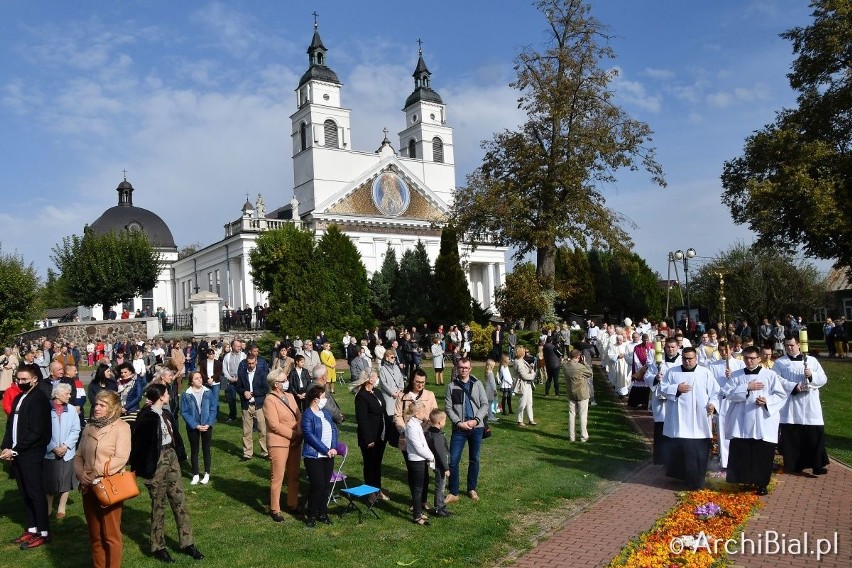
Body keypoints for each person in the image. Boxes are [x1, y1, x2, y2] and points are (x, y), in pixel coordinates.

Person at [130, 384, 203, 563]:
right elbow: (139, 445)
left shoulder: (166, 413)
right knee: (158, 504)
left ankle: (187, 543)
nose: (169, 395)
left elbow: (175, 436)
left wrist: (179, 455)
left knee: (179, 500)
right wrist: (144, 469)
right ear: (161, 396)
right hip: (155, 462)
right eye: (167, 393)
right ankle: (158, 546)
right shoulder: (146, 417)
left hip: (171, 457)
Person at [74, 390, 132, 568]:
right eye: (96, 404)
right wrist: (80, 473)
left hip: (109, 487)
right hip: (87, 486)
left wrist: (94, 472)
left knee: (111, 535)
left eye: (102, 405)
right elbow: (78, 456)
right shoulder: (89, 427)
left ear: (112, 408)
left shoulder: (122, 427)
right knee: (95, 535)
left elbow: (121, 457)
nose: (96, 408)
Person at [722, 346, 788, 495]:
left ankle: (761, 484)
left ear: (759, 358)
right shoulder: (736, 375)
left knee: (762, 453)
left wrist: (767, 401)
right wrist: (747, 387)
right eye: (746, 358)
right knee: (742, 452)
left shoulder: (769, 375)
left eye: (752, 358)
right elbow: (727, 393)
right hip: (741, 420)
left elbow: (781, 395)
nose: (749, 361)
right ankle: (743, 480)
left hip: (762, 420)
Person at [1, 363, 53, 549]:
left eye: (25, 379)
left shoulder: (38, 399)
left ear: (34, 380)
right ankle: (31, 528)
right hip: (18, 453)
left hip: (31, 453)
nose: (21, 382)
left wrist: (15, 449)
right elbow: (10, 426)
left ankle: (43, 532)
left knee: (35, 493)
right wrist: (6, 446)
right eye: (18, 379)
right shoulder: (18, 398)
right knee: (25, 493)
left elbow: (36, 432)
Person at [660, 347, 720, 490]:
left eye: (690, 358)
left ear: (696, 358)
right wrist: (676, 388)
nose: (687, 361)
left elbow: (716, 392)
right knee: (681, 451)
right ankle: (682, 478)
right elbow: (662, 388)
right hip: (679, 420)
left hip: (699, 419)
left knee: (698, 452)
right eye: (685, 358)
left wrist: (713, 404)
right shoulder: (673, 372)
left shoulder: (705, 373)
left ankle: (697, 481)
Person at [774, 335, 830, 475]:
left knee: (813, 435)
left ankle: (817, 464)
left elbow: (823, 378)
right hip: (791, 404)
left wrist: (811, 375)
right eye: (787, 345)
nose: (789, 348)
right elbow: (776, 379)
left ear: (799, 345)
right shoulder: (780, 363)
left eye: (792, 345)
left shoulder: (811, 360)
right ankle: (794, 464)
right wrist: (793, 386)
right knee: (793, 436)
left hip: (810, 403)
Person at [444, 357, 488, 503]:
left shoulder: (477, 384)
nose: (463, 370)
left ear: (470, 369)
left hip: (476, 427)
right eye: (461, 367)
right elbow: (448, 408)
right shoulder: (451, 386)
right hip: (459, 428)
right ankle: (454, 492)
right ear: (457, 368)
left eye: (466, 367)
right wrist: (458, 422)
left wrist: (475, 420)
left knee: (474, 459)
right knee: (453, 460)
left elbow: (484, 404)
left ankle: (471, 488)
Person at [263, 368, 302, 522]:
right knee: (278, 476)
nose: (287, 382)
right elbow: (274, 425)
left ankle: (293, 503)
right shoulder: (269, 400)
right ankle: (275, 508)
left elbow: (299, 415)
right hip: (279, 443)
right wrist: (293, 434)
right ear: (276, 384)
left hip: (295, 441)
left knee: (294, 475)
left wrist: (299, 430)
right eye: (284, 380)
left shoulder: (291, 396)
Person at [301, 384, 339, 527]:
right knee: (317, 486)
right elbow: (309, 436)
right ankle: (311, 515)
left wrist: (333, 447)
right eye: (323, 397)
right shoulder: (307, 415)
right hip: (314, 456)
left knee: (325, 486)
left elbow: (333, 430)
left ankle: (323, 512)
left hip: (329, 455)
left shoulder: (326, 414)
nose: (325, 400)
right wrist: (325, 449)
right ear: (316, 399)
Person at [45, 383, 81, 519]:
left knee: (66, 479)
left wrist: (65, 446)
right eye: (67, 393)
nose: (70, 396)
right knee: (48, 480)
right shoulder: (45, 409)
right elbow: (43, 431)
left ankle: (61, 506)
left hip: (67, 452)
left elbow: (75, 430)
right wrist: (53, 447)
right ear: (57, 394)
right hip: (49, 452)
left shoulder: (71, 410)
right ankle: (48, 506)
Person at [352, 369, 387, 502]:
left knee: (377, 464)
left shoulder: (377, 392)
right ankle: (370, 493)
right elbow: (362, 419)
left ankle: (378, 490)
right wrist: (369, 439)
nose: (377, 379)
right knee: (369, 465)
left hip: (380, 434)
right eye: (376, 377)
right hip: (369, 437)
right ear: (369, 379)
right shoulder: (361, 396)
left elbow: (382, 411)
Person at [180, 371, 216, 485]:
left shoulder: (208, 392)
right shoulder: (186, 394)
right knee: (194, 450)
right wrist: (195, 425)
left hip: (206, 424)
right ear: (191, 381)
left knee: (206, 449)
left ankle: (206, 473)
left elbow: (213, 408)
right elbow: (184, 412)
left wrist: (209, 423)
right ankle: (195, 474)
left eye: (200, 377)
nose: (200, 380)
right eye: (196, 378)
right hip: (193, 425)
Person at [404, 400, 433, 525]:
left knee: (420, 487)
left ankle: (419, 511)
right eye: (423, 412)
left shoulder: (416, 424)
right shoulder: (411, 426)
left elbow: (423, 443)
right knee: (417, 489)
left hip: (421, 459)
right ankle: (417, 516)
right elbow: (418, 447)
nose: (425, 414)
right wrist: (431, 456)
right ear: (416, 413)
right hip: (416, 461)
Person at [237, 354, 269, 461]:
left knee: (262, 430)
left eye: (252, 363)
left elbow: (266, 389)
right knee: (246, 431)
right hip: (246, 405)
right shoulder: (242, 374)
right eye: (249, 363)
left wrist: (253, 393)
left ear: (256, 362)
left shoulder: (262, 373)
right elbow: (238, 388)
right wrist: (243, 392)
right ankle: (247, 453)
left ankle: (265, 452)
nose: (250, 365)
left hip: (259, 405)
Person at [425, 408, 452, 518]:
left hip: (437, 463)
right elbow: (441, 453)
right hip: (440, 465)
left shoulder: (430, 432)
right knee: (440, 487)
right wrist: (446, 468)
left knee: (440, 486)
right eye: (445, 420)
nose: (445, 422)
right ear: (440, 421)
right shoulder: (437, 436)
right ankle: (438, 508)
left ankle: (441, 506)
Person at [379, 348, 406, 450]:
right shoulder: (382, 369)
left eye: (394, 357)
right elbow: (383, 383)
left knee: (398, 415)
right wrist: (392, 393)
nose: (394, 359)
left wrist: (400, 390)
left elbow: (400, 380)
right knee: (390, 417)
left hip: (398, 395)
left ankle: (398, 435)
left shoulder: (396, 367)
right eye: (392, 357)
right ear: (386, 357)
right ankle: (390, 437)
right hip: (389, 396)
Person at [562, 349, 591, 442]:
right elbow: (590, 373)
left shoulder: (565, 366)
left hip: (571, 392)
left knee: (571, 414)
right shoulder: (580, 367)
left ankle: (572, 436)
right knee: (582, 415)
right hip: (582, 393)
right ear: (578, 357)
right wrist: (585, 363)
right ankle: (583, 436)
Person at [221, 339, 245, 422]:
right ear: (233, 347)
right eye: (238, 346)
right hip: (230, 381)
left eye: (240, 346)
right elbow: (224, 369)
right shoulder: (227, 356)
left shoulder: (243, 355)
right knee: (231, 400)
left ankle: (245, 417)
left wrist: (239, 377)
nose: (240, 347)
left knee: (243, 399)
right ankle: (232, 417)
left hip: (241, 381)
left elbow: (245, 369)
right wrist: (230, 378)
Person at [513, 345, 537, 427]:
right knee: (522, 403)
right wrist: (533, 374)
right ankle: (519, 420)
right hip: (522, 384)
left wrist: (531, 368)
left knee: (529, 402)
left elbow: (526, 372)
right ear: (520, 352)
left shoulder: (522, 360)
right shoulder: (518, 362)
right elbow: (524, 375)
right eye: (523, 351)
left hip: (528, 383)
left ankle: (530, 419)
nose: (525, 352)